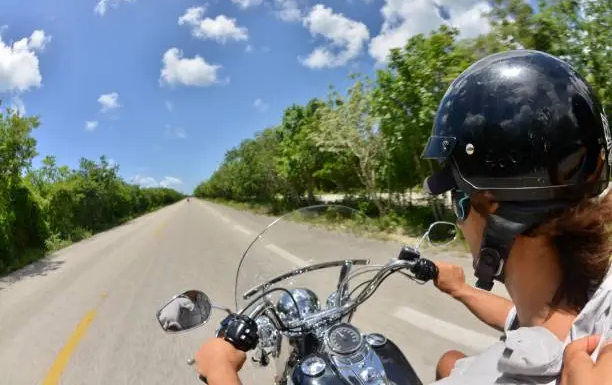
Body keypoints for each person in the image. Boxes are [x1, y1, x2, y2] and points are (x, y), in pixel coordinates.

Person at [192, 50, 612, 385]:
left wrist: (221, 370)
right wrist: (460, 290)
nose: (458, 216)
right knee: (449, 360)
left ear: (491, 206)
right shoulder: (595, 307)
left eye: (457, 200)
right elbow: (527, 321)